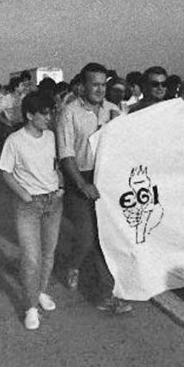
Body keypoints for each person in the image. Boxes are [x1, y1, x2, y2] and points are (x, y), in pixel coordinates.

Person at [55, 62, 132, 314]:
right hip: (80, 177)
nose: (99, 89)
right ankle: (73, 264)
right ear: (83, 86)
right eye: (95, 84)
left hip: (107, 179)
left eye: (103, 84)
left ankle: (105, 295)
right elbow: (66, 155)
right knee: (87, 237)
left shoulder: (112, 110)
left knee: (106, 238)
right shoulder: (69, 112)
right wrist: (81, 184)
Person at [0, 91, 64, 331]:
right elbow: (5, 171)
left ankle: (41, 292)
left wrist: (61, 187)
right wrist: (24, 195)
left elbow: (56, 165)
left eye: (50, 112)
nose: (49, 117)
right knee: (31, 259)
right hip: (28, 205)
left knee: (49, 253)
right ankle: (30, 307)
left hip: (54, 202)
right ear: (29, 115)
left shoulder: (51, 137)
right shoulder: (14, 141)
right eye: (44, 113)